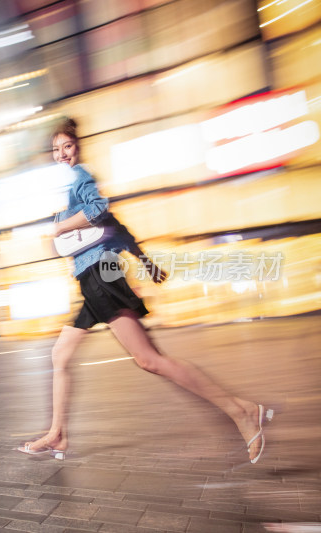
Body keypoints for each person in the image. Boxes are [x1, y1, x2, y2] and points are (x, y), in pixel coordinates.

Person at [17, 117, 271, 464]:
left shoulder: (80, 178)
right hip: (97, 273)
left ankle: (242, 411)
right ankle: (57, 434)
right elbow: (116, 225)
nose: (62, 154)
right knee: (60, 355)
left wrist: (59, 228)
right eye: (56, 149)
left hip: (100, 275)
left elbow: (98, 210)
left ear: (78, 147)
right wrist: (146, 261)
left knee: (150, 360)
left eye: (68, 146)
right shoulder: (72, 184)